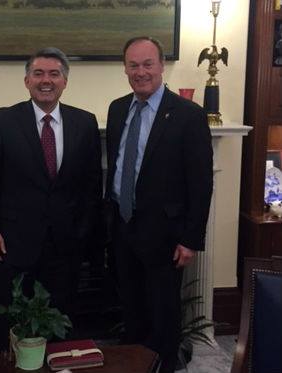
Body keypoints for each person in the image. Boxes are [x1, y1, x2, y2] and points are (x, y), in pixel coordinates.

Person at [0, 47, 102, 349]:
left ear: (65, 82)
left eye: (54, 74)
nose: (46, 80)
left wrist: (82, 234)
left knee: (61, 321)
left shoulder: (85, 123)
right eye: (39, 73)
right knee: (12, 323)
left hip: (64, 246)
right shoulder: (4, 122)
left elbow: (91, 186)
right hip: (12, 244)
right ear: (27, 80)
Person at [104, 36, 213, 373]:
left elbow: (201, 182)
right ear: (124, 68)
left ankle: (163, 367)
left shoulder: (188, 115)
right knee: (131, 312)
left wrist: (191, 239)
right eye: (133, 65)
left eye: (147, 64)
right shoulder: (118, 108)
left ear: (161, 66)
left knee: (163, 318)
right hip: (123, 229)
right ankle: (134, 366)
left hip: (166, 236)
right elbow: (118, 166)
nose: (141, 72)